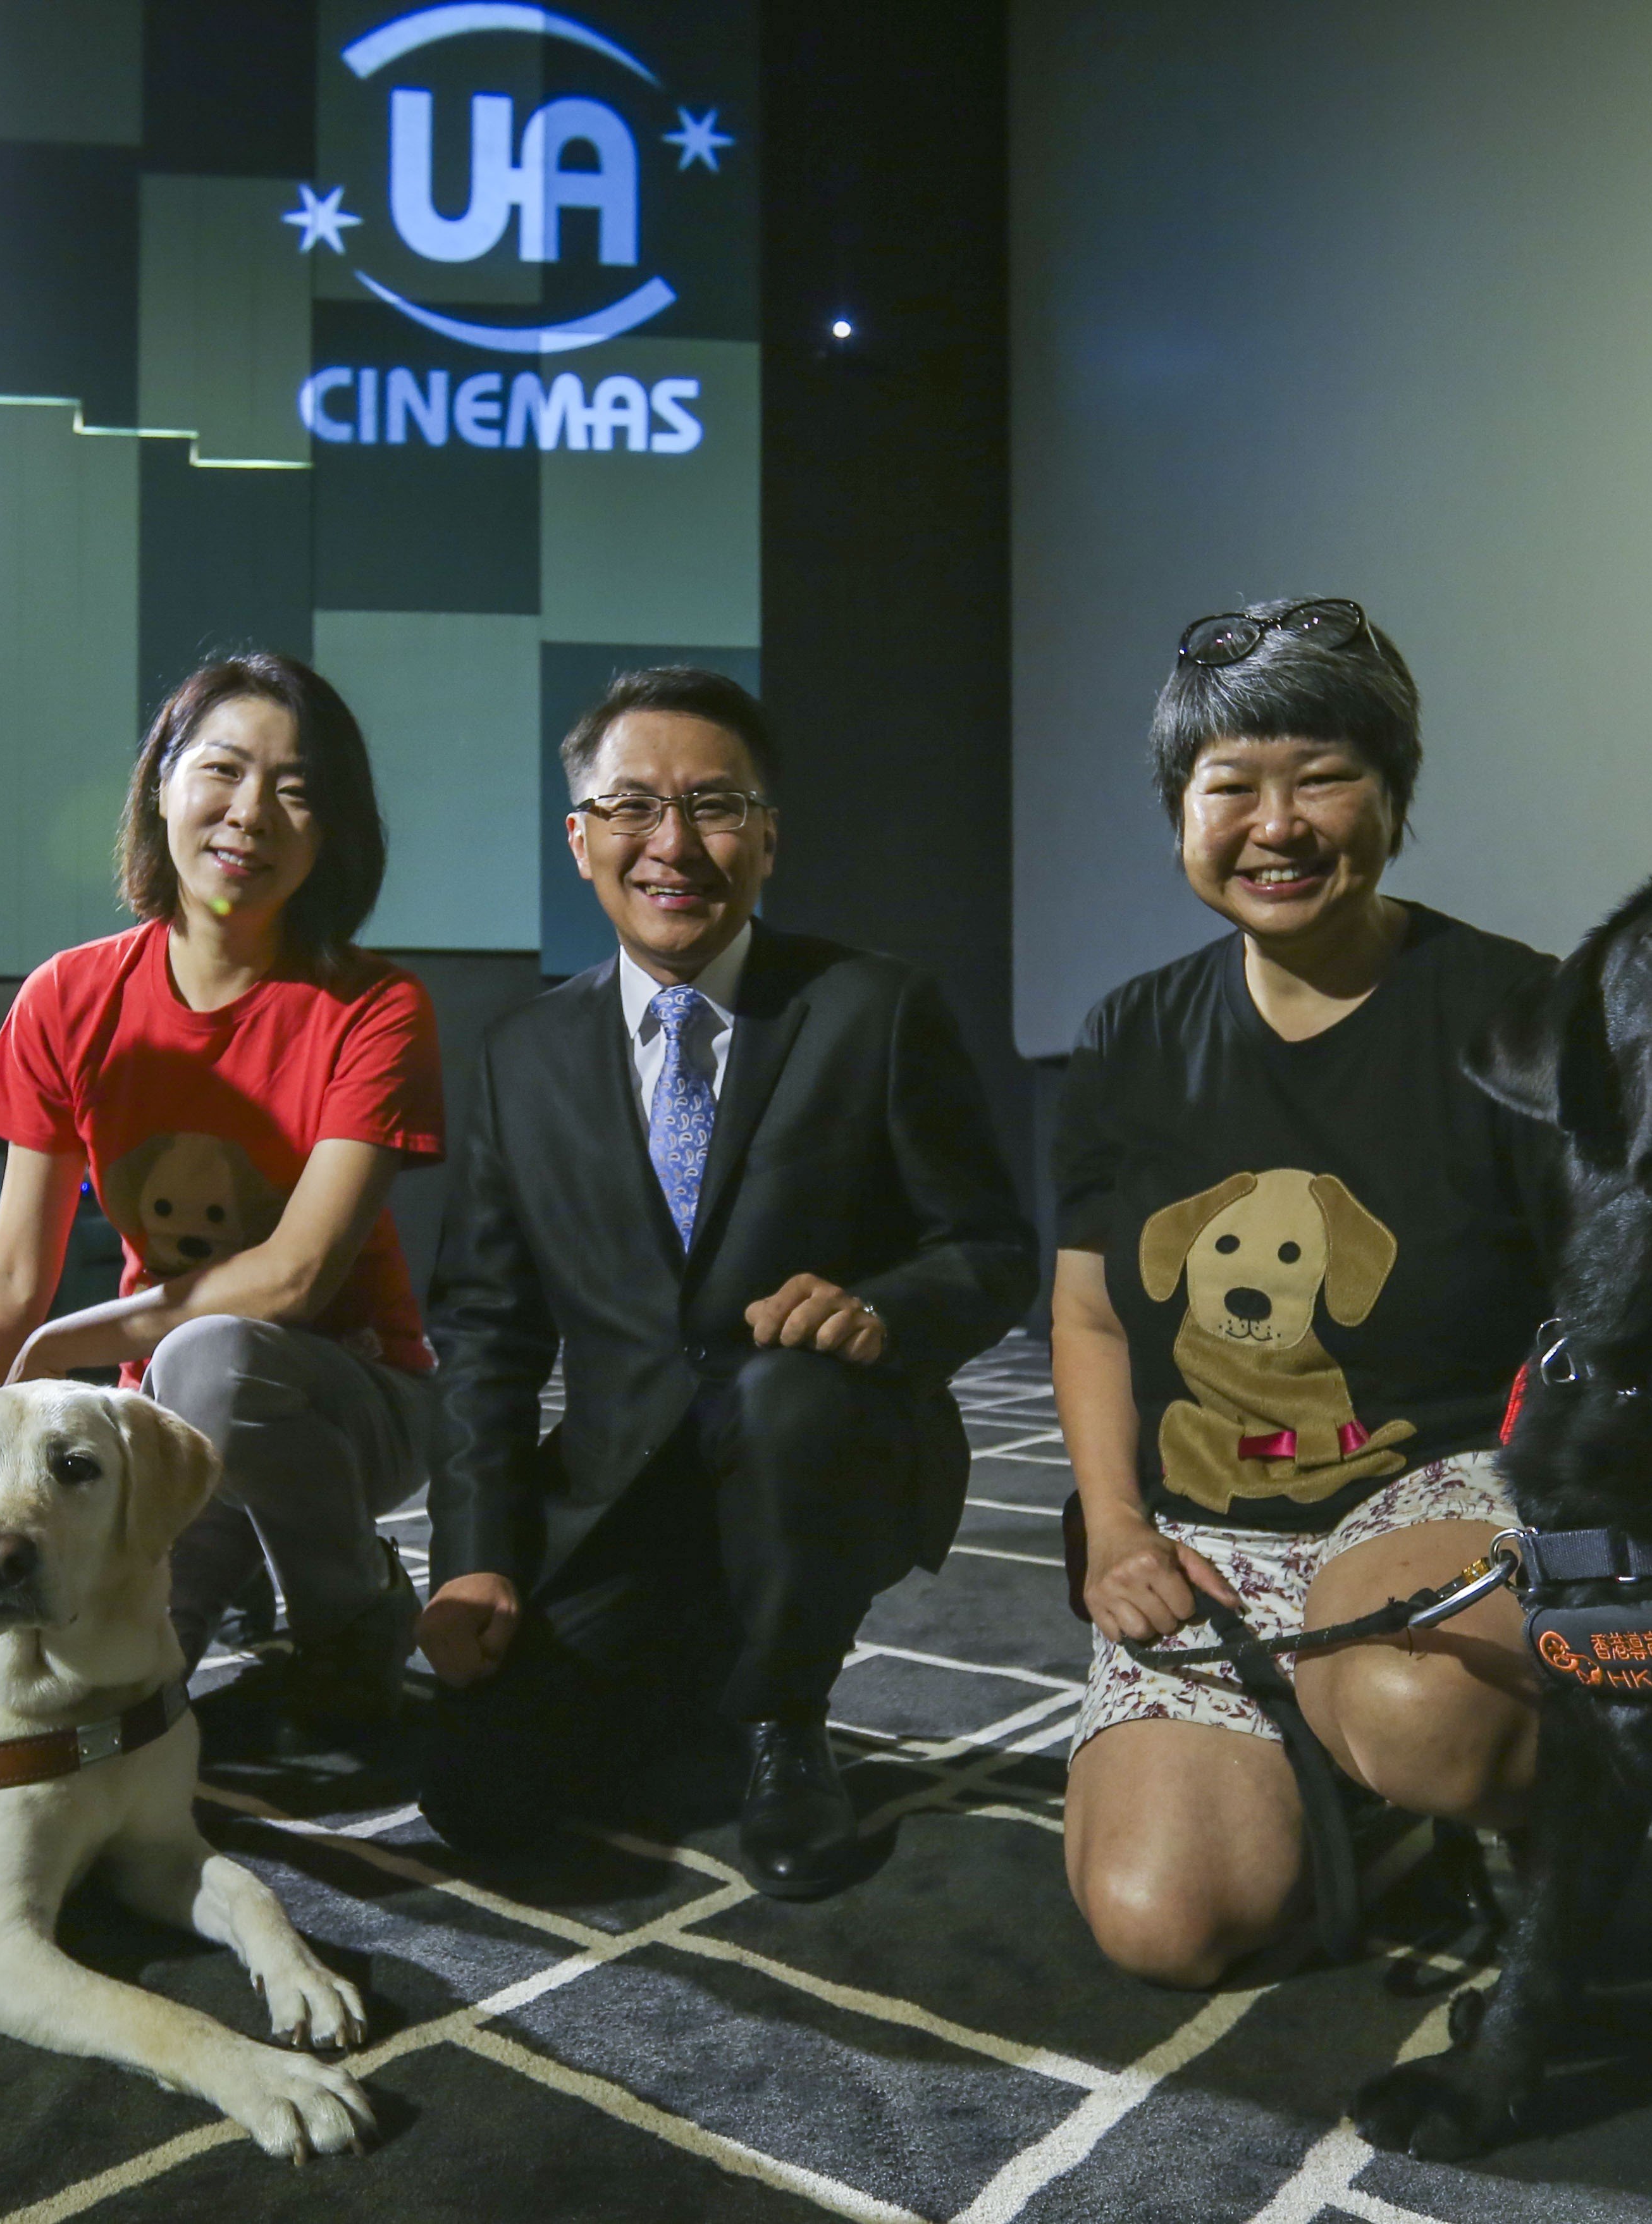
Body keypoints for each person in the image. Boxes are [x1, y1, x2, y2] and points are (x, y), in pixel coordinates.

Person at [417, 666, 1037, 1897]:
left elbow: (992, 1251)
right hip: (617, 1489)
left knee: (785, 1392)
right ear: (581, 838)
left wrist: (882, 1311)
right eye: (634, 807)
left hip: (819, 1452)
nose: (674, 844)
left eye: (713, 805)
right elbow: (486, 1329)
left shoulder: (875, 1009)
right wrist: (474, 1557)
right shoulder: (521, 1055)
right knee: (478, 1795)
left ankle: (784, 1721)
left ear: (768, 838)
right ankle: (703, 1663)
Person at [1051, 596, 1560, 1986]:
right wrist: (1113, 1533)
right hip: (1214, 1526)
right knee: (1164, 1923)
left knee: (1422, 1713)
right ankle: (1335, 1773)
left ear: (1393, 798)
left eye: (1324, 778)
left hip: (1437, 1488)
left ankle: (1526, 1798)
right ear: (1181, 816)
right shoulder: (1130, 1036)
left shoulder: (1518, 1015)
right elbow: (1093, 1314)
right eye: (1232, 787)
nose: (1276, 825)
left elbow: (1605, 1321)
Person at [0, 654, 441, 1724]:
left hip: (354, 1399)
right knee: (104, 1695)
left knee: (209, 1356)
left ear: (333, 830)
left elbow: (297, 1278)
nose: (252, 814)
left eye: (298, 789)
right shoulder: (68, 998)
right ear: (160, 785)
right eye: (222, 771)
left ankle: (353, 1612)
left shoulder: (376, 1006)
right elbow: (13, 1277)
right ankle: (237, 1568)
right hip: (159, 1415)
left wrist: (67, 1346)